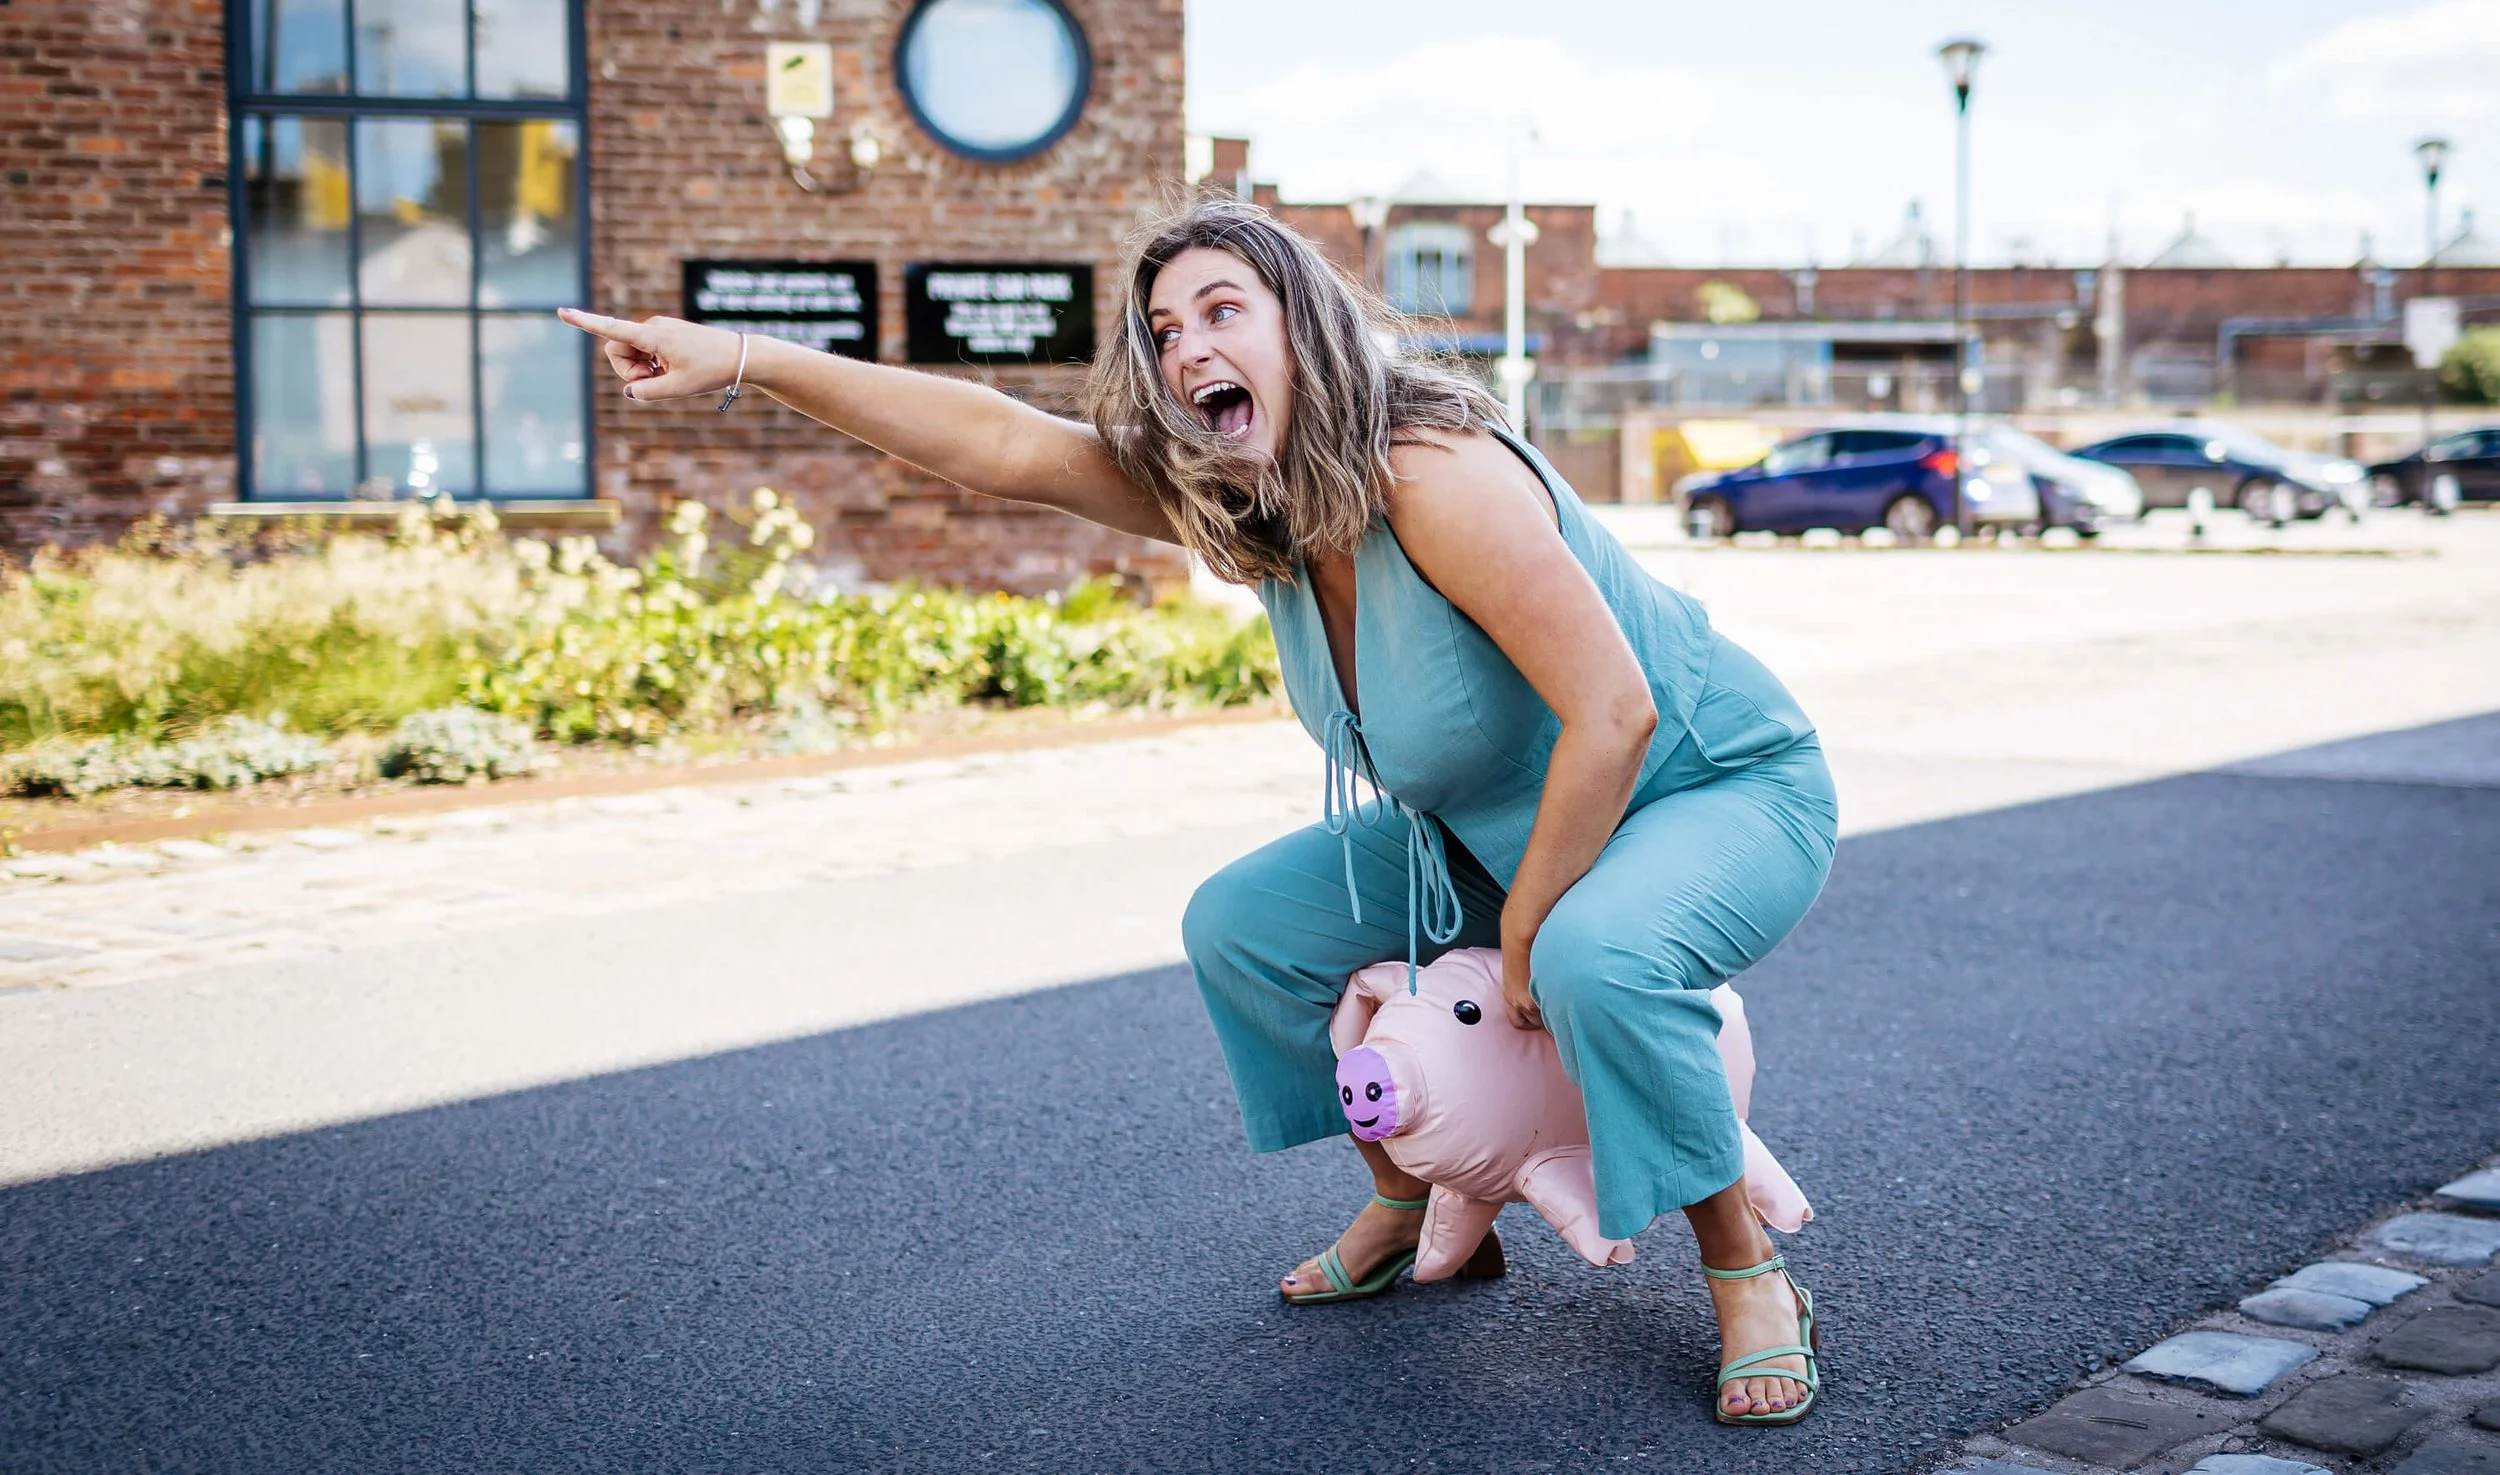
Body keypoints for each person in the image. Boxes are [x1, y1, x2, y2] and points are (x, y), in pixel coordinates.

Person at [557, 195, 1838, 1426]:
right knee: (1241, 924)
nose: (1187, 351)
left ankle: (1744, 1266)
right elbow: (1000, 441)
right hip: (1498, 830)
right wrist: (740, 355)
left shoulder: (1431, 468)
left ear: (1304, 327)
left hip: (1705, 787)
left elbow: (1613, 713)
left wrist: (1521, 938)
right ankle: (1408, 1191)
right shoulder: (1252, 499)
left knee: (1592, 952)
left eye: (1221, 310)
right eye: (1164, 332)